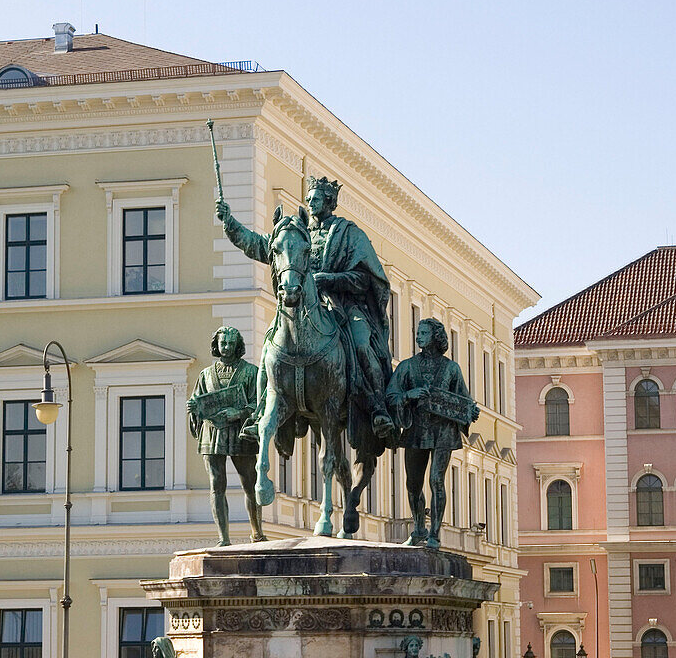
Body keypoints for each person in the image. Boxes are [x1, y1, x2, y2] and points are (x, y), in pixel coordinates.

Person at [215, 175, 395, 451]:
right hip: (299, 307)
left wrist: (328, 279)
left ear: (330, 202)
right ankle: (261, 409)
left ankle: (377, 406)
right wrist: (230, 223)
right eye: (309, 199)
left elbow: (364, 278)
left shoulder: (349, 234)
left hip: (343, 306)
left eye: (316, 199)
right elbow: (258, 245)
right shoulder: (296, 233)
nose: (311, 203)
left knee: (361, 345)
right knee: (268, 347)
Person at [387, 317, 478, 549]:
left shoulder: (451, 369)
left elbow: (463, 401)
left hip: (443, 432)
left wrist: (471, 411)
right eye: (417, 332)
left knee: (437, 480)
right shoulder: (407, 366)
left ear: (436, 337)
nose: (419, 336)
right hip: (415, 429)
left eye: (424, 333)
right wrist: (409, 395)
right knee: (413, 484)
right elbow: (391, 396)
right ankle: (419, 528)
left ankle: (434, 534)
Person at [187, 327, 266, 546]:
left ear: (238, 345)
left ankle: (257, 532)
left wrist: (239, 413)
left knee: (249, 483)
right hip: (212, 433)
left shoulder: (251, 372)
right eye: (223, 343)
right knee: (216, 485)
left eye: (231, 343)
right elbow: (198, 402)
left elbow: (259, 403)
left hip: (241, 432)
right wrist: (194, 408)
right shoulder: (205, 374)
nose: (227, 347)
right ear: (217, 345)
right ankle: (223, 539)